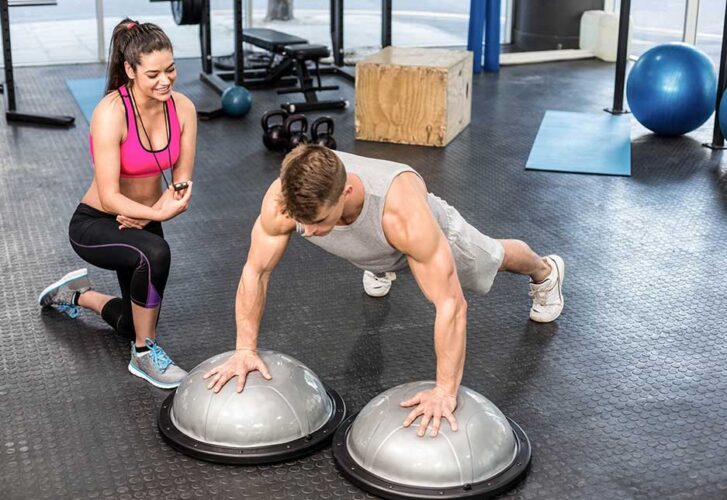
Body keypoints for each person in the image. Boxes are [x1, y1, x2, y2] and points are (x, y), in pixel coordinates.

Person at [203, 145, 565, 436]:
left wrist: (444, 391)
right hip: (374, 246)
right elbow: (256, 271)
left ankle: (545, 271)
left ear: (346, 192)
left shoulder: (403, 215)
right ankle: (377, 264)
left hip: (426, 237)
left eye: (317, 222)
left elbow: (451, 305)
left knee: (493, 258)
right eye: (302, 222)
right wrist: (245, 349)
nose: (307, 233)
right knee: (361, 249)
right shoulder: (285, 203)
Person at [38, 19, 197, 389]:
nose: (166, 80)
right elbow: (110, 196)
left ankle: (74, 295)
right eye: (153, 73)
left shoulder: (183, 108)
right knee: (155, 254)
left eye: (171, 69)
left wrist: (157, 209)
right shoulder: (111, 112)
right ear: (130, 69)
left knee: (130, 322)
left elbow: (182, 180)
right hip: (98, 222)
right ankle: (144, 356)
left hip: (143, 218)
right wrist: (156, 213)